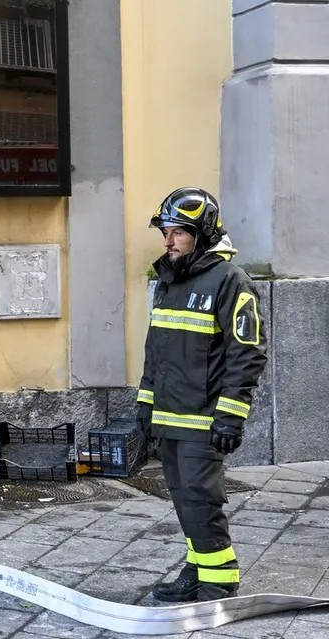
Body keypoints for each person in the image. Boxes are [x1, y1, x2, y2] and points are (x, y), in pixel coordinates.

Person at [136, 187, 267, 603]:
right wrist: (145, 401)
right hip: (170, 415)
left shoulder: (231, 281)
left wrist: (231, 415)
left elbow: (246, 355)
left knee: (200, 500)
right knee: (184, 500)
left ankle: (218, 583)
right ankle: (198, 569)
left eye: (178, 233)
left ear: (204, 232)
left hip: (204, 419)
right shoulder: (170, 280)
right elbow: (155, 348)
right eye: (166, 232)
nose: (168, 241)